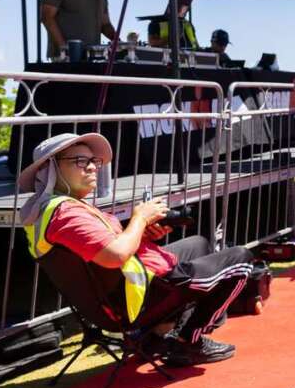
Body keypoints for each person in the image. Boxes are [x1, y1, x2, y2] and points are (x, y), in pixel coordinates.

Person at [18, 133, 253, 365]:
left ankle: (159, 332)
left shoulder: (56, 208)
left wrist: (141, 233)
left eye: (94, 161)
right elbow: (115, 256)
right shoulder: (67, 214)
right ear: (51, 169)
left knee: (198, 244)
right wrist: (140, 219)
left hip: (122, 291)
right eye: (80, 161)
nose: (92, 168)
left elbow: (104, 252)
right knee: (242, 259)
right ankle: (187, 341)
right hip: (140, 299)